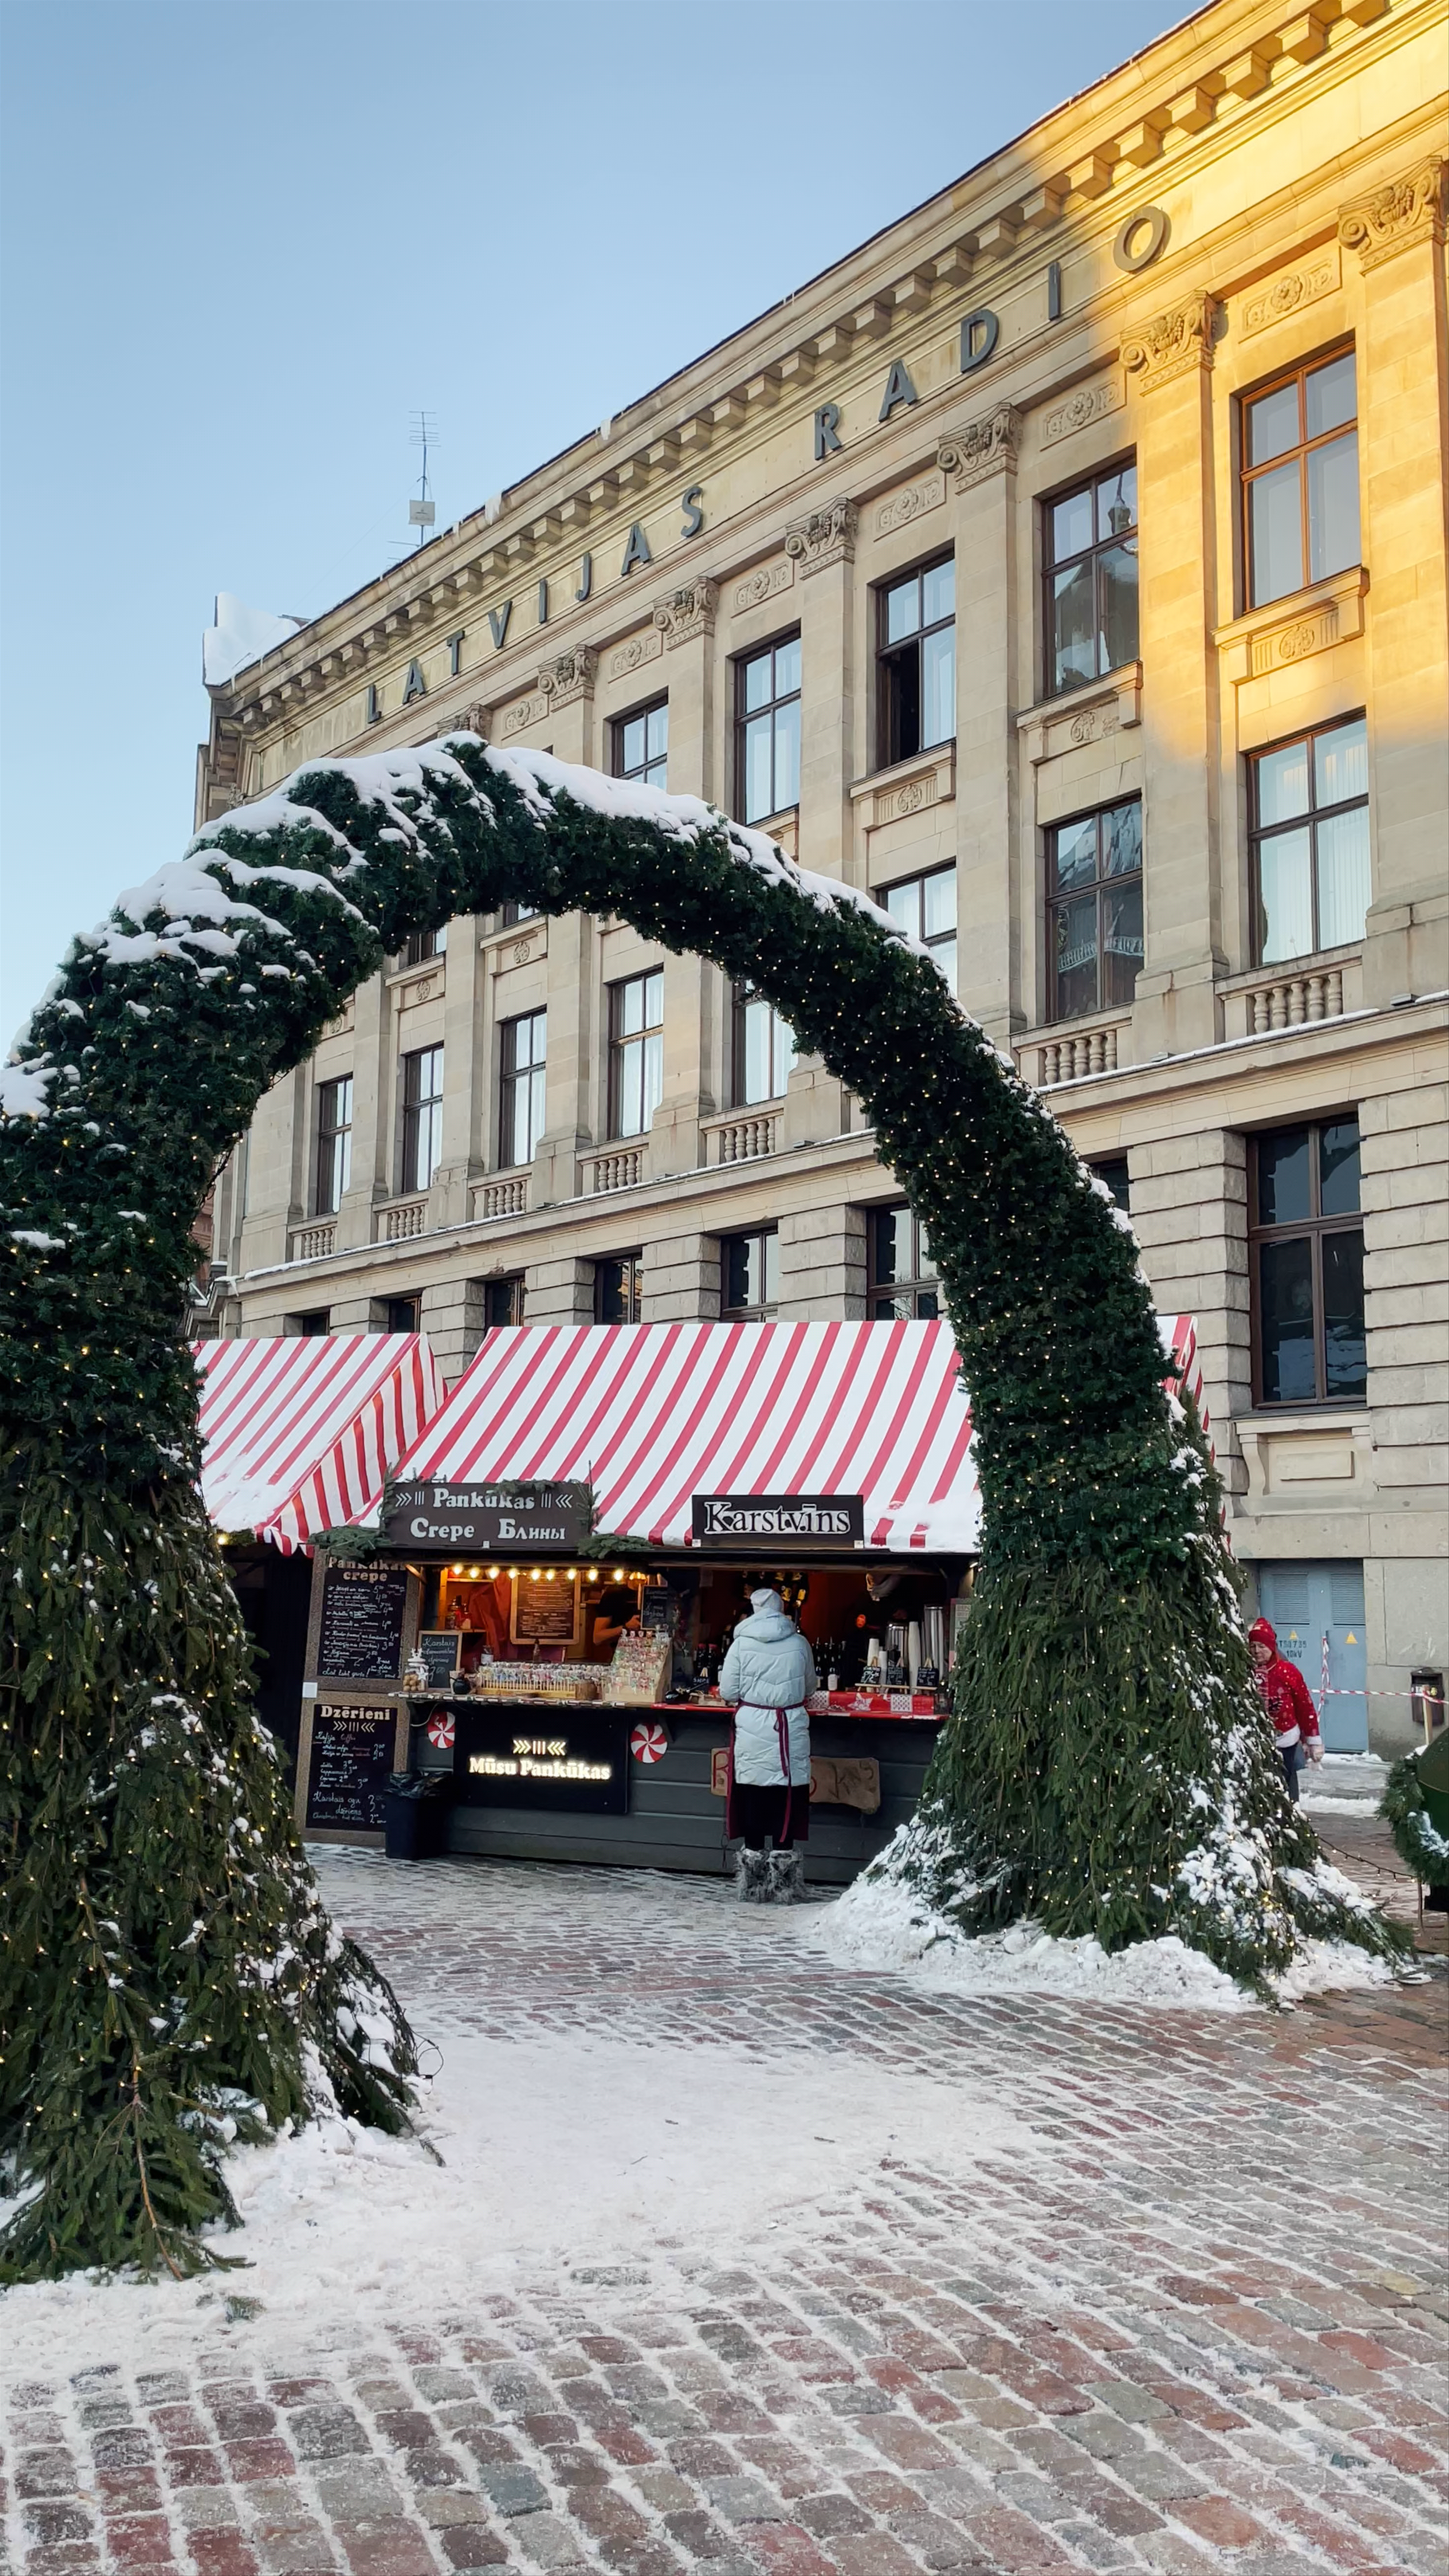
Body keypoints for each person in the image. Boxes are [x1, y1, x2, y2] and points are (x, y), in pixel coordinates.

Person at [718, 1587, 817, 1902]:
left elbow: (728, 1691)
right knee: (786, 1798)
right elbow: (810, 1685)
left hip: (752, 1727)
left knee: (753, 1797)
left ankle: (753, 1884)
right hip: (789, 1727)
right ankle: (785, 1885)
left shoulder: (740, 1644)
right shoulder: (799, 1642)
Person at [1249, 1616, 1322, 1802]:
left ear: (1272, 1647)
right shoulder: (1245, 1672)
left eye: (1262, 1647)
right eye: (1253, 1646)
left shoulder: (1287, 1672)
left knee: (1286, 1784)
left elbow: (1305, 1706)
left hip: (1285, 1741)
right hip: (1256, 1742)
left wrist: (1312, 1739)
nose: (1257, 1651)